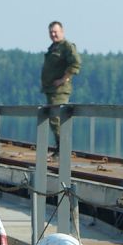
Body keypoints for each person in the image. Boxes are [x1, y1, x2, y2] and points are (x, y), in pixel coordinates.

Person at [40, 21, 81, 158]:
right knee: (54, 120)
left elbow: (76, 63)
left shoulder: (66, 46)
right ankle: (60, 148)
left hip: (60, 90)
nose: (53, 34)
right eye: (51, 32)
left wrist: (64, 79)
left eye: (55, 32)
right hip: (51, 90)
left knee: (57, 119)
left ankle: (63, 150)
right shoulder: (53, 47)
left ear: (62, 32)